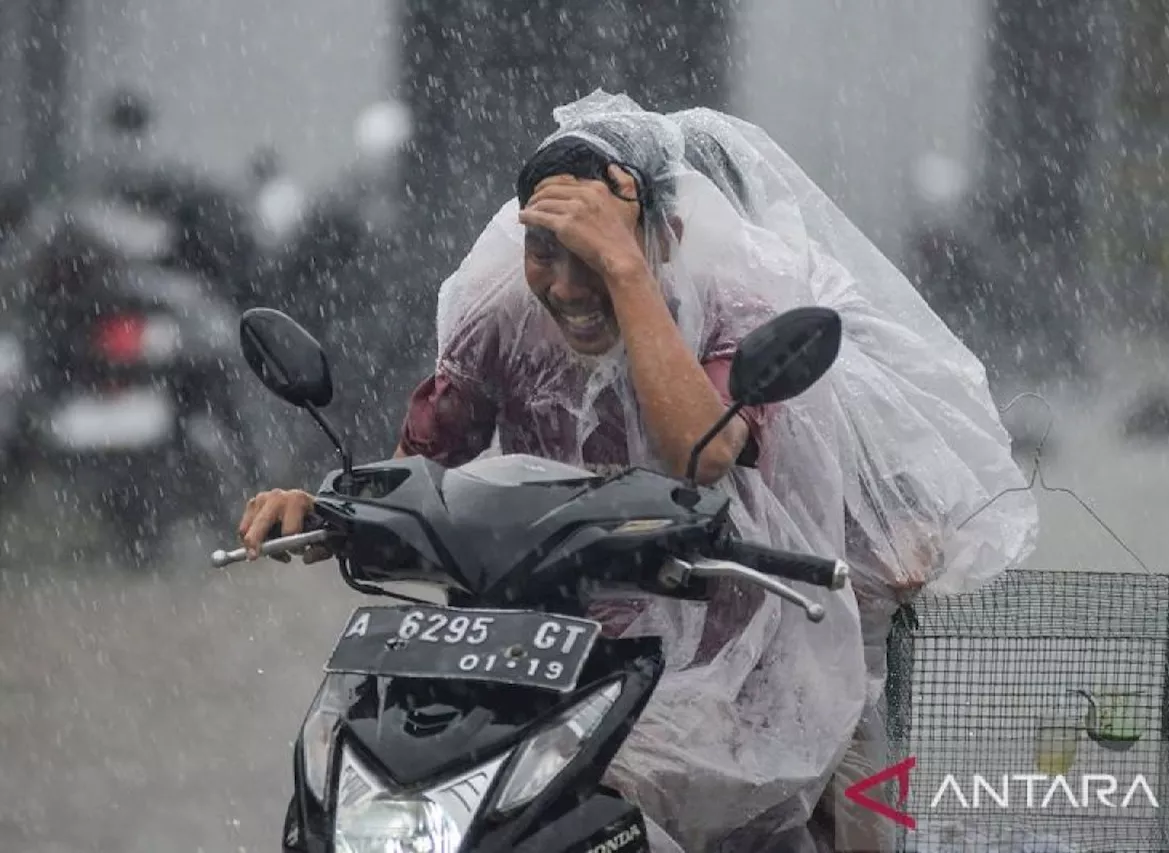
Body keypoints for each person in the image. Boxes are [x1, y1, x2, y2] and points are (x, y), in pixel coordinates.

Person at [239, 92, 1036, 852]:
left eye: (595, 250)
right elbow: (418, 466)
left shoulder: (733, 304)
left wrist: (627, 273)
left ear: (669, 235)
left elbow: (703, 449)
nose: (567, 282)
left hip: (748, 628)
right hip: (548, 638)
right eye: (544, 248)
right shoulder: (500, 307)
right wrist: (324, 509)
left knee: (849, 792)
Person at [670, 107, 1039, 851]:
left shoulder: (806, 293)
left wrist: (906, 522)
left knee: (862, 791)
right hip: (704, 625)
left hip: (826, 610)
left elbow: (885, 433)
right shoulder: (642, 313)